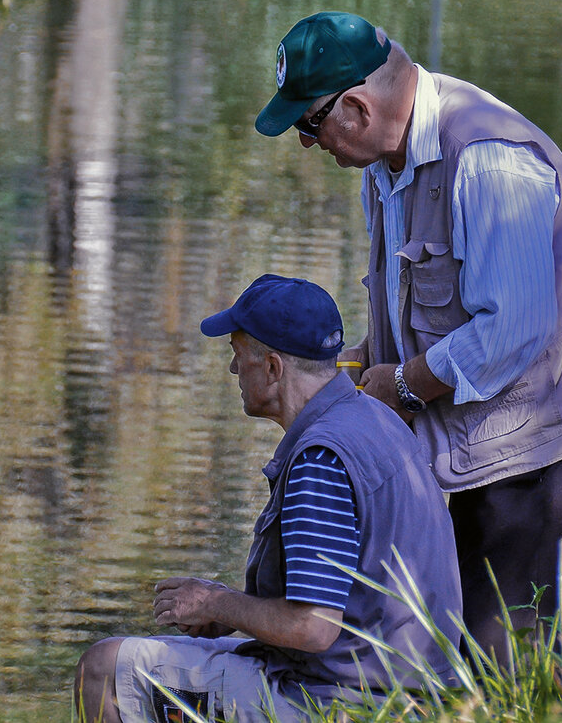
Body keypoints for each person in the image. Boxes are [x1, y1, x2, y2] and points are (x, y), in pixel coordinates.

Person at [253, 12, 562, 659]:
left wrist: (404, 384)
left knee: (522, 664)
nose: (305, 142)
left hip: (549, 444)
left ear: (354, 107)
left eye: (307, 124)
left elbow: (512, 331)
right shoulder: (384, 167)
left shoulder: (489, 162)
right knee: (449, 659)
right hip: (467, 433)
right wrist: (357, 368)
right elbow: (421, 311)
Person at [74, 274, 461, 722]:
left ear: (274, 368)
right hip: (407, 688)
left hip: (355, 703)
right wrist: (237, 613)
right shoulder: (371, 417)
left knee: (104, 670)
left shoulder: (321, 459)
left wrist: (215, 602)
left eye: (239, 356)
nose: (235, 371)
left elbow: (313, 625)